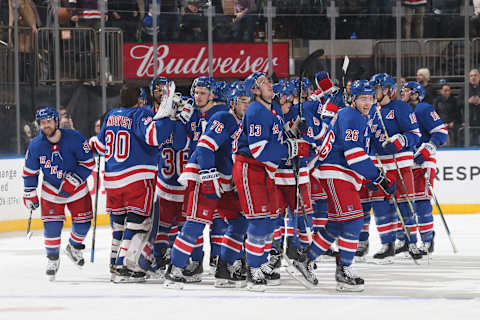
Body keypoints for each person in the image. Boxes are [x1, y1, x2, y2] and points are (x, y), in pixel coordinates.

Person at [293, 80, 396, 292]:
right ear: (353, 99)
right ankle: (344, 269)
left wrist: (373, 175)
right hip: (337, 173)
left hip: (340, 174)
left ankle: (305, 260)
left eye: (370, 98)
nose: (367, 102)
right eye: (362, 98)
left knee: (337, 225)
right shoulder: (352, 116)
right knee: (354, 221)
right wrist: (378, 177)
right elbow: (354, 155)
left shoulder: (356, 116)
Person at [232, 72, 313, 291]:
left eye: (268, 81)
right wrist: (293, 148)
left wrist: (292, 132)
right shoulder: (256, 110)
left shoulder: (272, 111)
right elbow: (259, 150)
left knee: (269, 220)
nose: (270, 85)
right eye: (264, 83)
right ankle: (253, 268)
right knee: (259, 221)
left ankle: (260, 262)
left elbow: (275, 138)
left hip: (265, 172)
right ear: (255, 91)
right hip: (251, 169)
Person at [94, 82, 176, 282]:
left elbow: (99, 145)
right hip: (137, 177)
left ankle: (114, 262)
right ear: (139, 99)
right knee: (138, 223)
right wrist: (166, 117)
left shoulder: (112, 115)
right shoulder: (140, 114)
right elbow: (154, 136)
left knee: (119, 224)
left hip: (112, 179)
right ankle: (124, 265)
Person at [23, 106, 95, 281]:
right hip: (51, 190)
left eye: (48, 121)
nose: (45, 125)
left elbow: (88, 162)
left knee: (84, 223)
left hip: (76, 189)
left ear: (56, 121)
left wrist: (74, 180)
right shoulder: (36, 145)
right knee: (52, 227)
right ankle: (53, 260)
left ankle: (74, 246)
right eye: (42, 123)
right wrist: (29, 192)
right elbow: (30, 172)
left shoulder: (75, 138)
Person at [368, 73, 422, 262]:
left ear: (388, 89)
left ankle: (411, 242)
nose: (374, 92)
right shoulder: (370, 110)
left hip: (400, 164)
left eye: (377, 88)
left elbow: (415, 134)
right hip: (380, 166)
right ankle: (387, 244)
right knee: (381, 206)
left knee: (405, 204)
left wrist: (401, 140)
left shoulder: (401, 107)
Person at [400, 81, 448, 255]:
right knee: (405, 203)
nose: (402, 93)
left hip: (424, 161)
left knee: (421, 201)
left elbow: (441, 132)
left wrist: (426, 151)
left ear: (415, 94)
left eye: (405, 91)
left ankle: (427, 240)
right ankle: (407, 242)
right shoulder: (402, 111)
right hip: (406, 162)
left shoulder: (423, 109)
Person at [459, 69, 480, 145]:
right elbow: (458, 103)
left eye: (475, 75)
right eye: (471, 76)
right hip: (468, 121)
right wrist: (468, 101)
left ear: (479, 77)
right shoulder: (464, 89)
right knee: (469, 144)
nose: (473, 77)